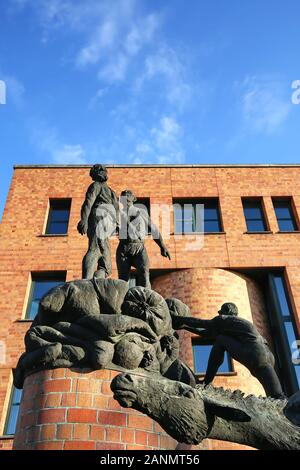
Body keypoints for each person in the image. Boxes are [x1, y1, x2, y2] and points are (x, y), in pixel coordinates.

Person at [172, 302, 285, 398]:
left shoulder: (225, 319)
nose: (219, 314)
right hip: (268, 357)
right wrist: (185, 327)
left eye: (221, 312)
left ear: (226, 312)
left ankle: (206, 382)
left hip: (254, 353)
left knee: (221, 340)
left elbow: (203, 324)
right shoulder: (237, 325)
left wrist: (178, 319)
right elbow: (207, 334)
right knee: (276, 395)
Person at [116, 189, 171, 288]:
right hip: (123, 249)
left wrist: (162, 246)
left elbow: (153, 229)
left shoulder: (141, 212)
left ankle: (147, 300)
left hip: (139, 247)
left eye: (128, 194)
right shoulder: (118, 214)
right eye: (123, 195)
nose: (125, 196)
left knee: (144, 275)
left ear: (134, 198)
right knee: (123, 282)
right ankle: (123, 302)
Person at [77, 164, 119, 279]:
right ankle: (86, 281)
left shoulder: (111, 191)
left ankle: (96, 282)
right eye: (100, 170)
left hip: (108, 221)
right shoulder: (95, 186)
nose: (104, 172)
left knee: (107, 265)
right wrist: (84, 220)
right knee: (95, 248)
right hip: (98, 216)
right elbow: (88, 203)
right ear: (95, 174)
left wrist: (118, 225)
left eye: (105, 170)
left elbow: (117, 209)